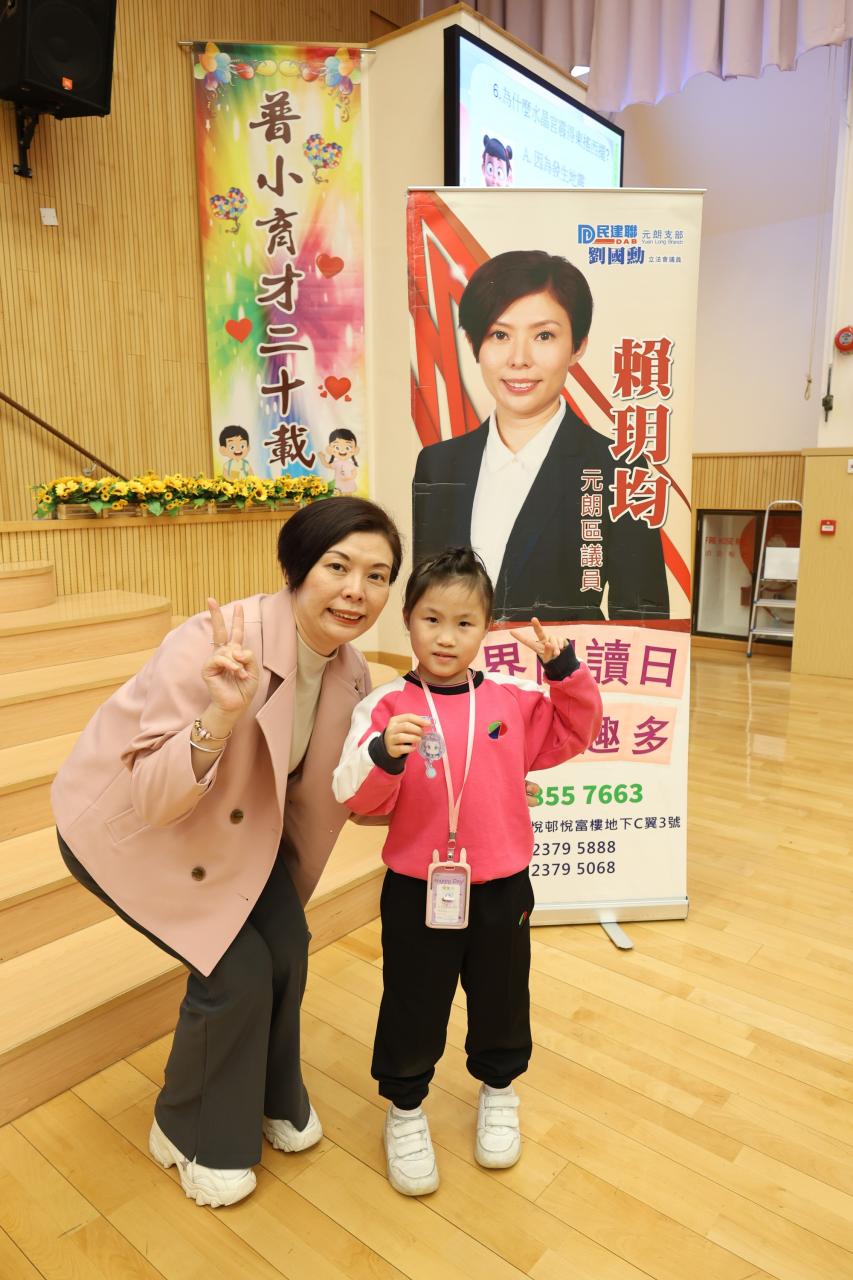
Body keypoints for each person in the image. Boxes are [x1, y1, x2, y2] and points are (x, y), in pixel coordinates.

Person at [51, 497, 403, 1209]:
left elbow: (333, 794)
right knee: (235, 972)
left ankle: (271, 1096)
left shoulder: (353, 674)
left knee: (288, 946)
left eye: (377, 575)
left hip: (236, 838)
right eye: (337, 567)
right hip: (138, 833)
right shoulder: (211, 641)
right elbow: (152, 797)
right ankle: (186, 1130)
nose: (356, 591)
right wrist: (221, 712)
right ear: (295, 568)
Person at [332, 547, 602, 1196]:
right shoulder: (387, 706)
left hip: (503, 886)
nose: (446, 638)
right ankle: (404, 1110)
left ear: (486, 628)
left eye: (464, 623)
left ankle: (499, 1090)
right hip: (416, 889)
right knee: (412, 999)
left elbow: (575, 731)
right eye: (431, 619)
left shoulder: (510, 700)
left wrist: (563, 671)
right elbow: (355, 797)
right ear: (406, 619)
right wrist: (383, 756)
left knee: (502, 994)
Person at [412, 249, 670, 622]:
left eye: (544, 335)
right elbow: (425, 602)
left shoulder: (620, 467)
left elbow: (643, 620)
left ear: (577, 346)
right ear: (475, 345)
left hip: (566, 662)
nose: (519, 358)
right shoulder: (437, 465)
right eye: (500, 334)